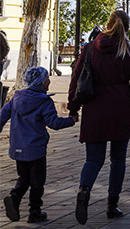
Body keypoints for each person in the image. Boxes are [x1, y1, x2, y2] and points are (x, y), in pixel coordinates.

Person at [67, 10, 130, 224]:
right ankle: (112, 204)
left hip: (94, 110)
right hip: (121, 110)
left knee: (93, 159)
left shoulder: (89, 50)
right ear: (127, 28)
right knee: (118, 159)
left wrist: (73, 108)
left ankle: (84, 190)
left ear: (107, 24)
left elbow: (77, 80)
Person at [0, 66, 75, 222]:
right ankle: (35, 212)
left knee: (24, 177)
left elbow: (2, 116)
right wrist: (71, 121)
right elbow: (53, 123)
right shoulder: (44, 101)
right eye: (47, 78)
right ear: (41, 82)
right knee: (37, 181)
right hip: (35, 149)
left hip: (17, 147)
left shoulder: (15, 98)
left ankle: (14, 197)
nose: (49, 81)